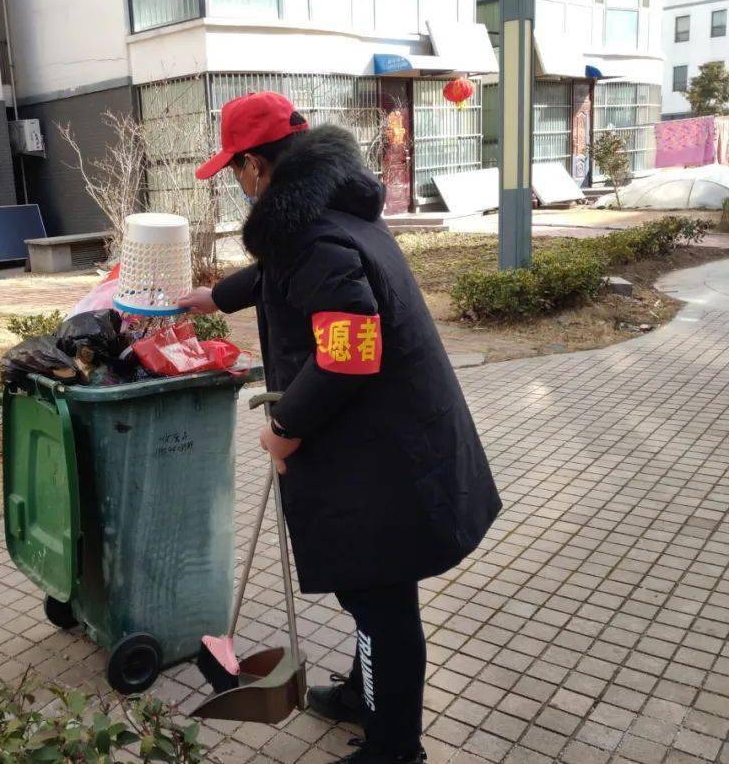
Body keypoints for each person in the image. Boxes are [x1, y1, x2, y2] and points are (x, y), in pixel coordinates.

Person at [179, 91, 501, 764]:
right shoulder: (323, 215)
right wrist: (213, 297)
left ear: (260, 166)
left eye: (236, 170)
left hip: (385, 453)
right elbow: (278, 275)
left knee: (381, 601)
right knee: (370, 589)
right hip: (384, 439)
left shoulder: (313, 233)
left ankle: (394, 747)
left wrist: (285, 426)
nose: (236, 183)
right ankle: (365, 692)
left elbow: (350, 354)